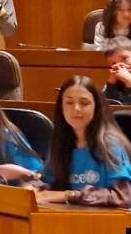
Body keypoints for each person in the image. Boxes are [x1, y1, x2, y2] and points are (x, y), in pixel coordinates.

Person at [35, 75, 131, 206]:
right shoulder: (61, 143)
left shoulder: (110, 145)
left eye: (84, 103)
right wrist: (34, 188)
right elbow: (48, 181)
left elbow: (121, 196)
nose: (76, 109)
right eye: (69, 102)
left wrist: (70, 195)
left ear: (96, 107)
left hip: (109, 222)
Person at [103, 38, 131, 104]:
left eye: (124, 58)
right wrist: (111, 84)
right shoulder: (116, 82)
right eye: (113, 63)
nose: (120, 65)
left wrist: (129, 82)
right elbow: (107, 108)